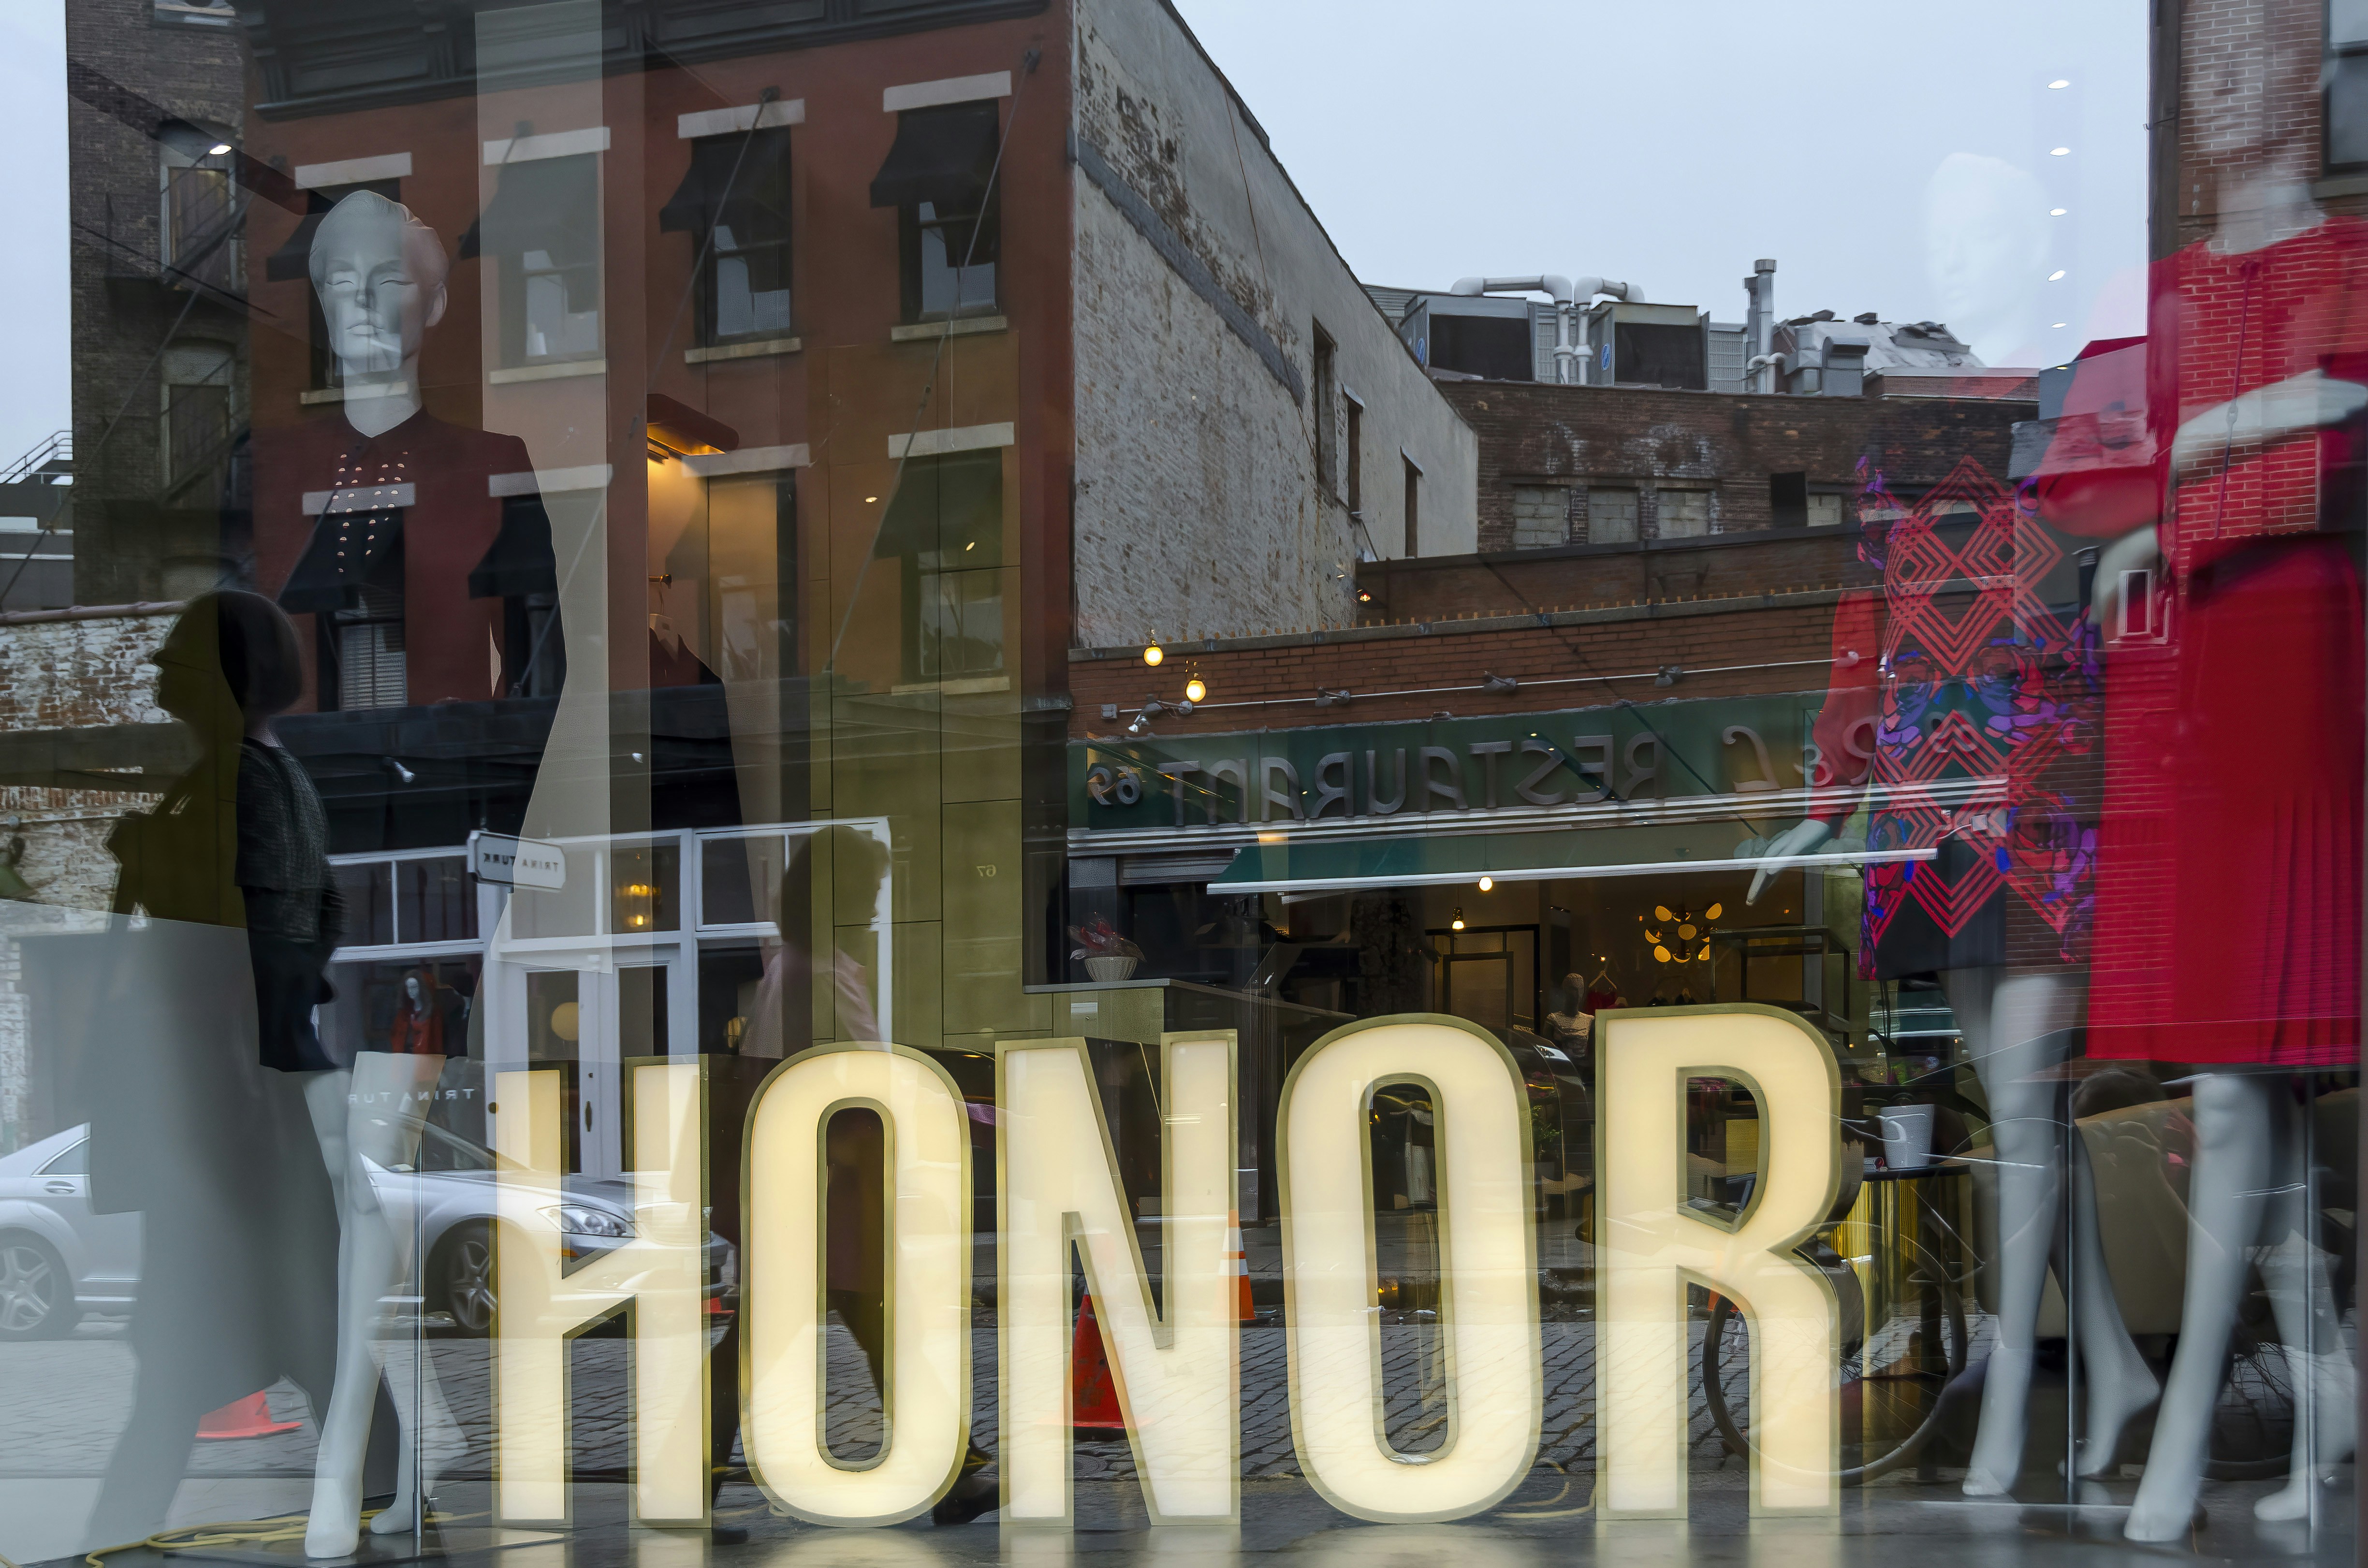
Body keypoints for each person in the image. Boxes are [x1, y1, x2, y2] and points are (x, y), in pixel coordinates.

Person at [81, 593, 343, 1550]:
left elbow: (261, 950)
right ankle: (397, 1493)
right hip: (251, 1113)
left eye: (177, 665)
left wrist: (156, 870)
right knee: (300, 1341)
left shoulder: (243, 785)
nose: (156, 678)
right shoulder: (258, 780)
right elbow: (307, 932)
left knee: (196, 1358)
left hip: (234, 1115)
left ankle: (110, 1530)